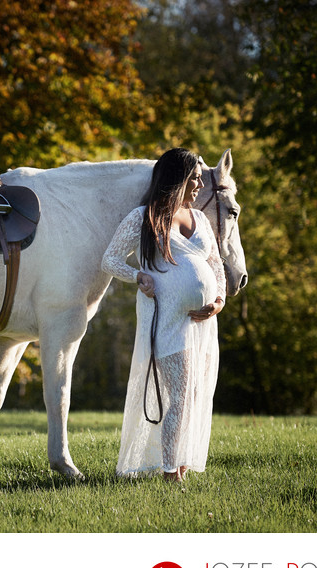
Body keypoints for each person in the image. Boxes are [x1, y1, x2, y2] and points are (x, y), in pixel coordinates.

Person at [101, 148, 226, 482]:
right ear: (178, 179)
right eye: (195, 178)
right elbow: (110, 260)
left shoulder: (199, 219)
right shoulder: (145, 217)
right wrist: (137, 277)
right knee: (181, 393)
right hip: (167, 320)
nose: (200, 185)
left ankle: (181, 461)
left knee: (194, 394)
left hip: (201, 323)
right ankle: (171, 471)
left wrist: (218, 300)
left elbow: (215, 265)